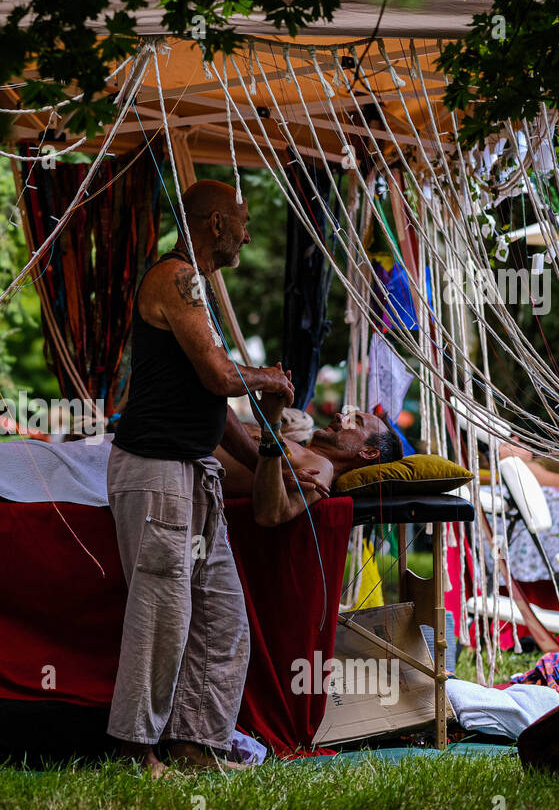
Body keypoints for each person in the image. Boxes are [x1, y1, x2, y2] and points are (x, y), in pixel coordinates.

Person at [107, 179, 295, 777]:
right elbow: (219, 378)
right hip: (158, 472)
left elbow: (211, 412)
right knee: (162, 615)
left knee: (221, 619)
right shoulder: (178, 277)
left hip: (192, 474)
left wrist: (269, 450)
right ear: (214, 224)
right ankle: (138, 756)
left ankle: (194, 748)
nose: (247, 232)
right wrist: (268, 378)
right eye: (241, 221)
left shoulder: (196, 287)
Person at [251, 385, 402, 527]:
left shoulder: (322, 468)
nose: (339, 416)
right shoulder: (299, 453)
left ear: (368, 452)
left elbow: (271, 515)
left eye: (354, 421)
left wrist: (271, 424)